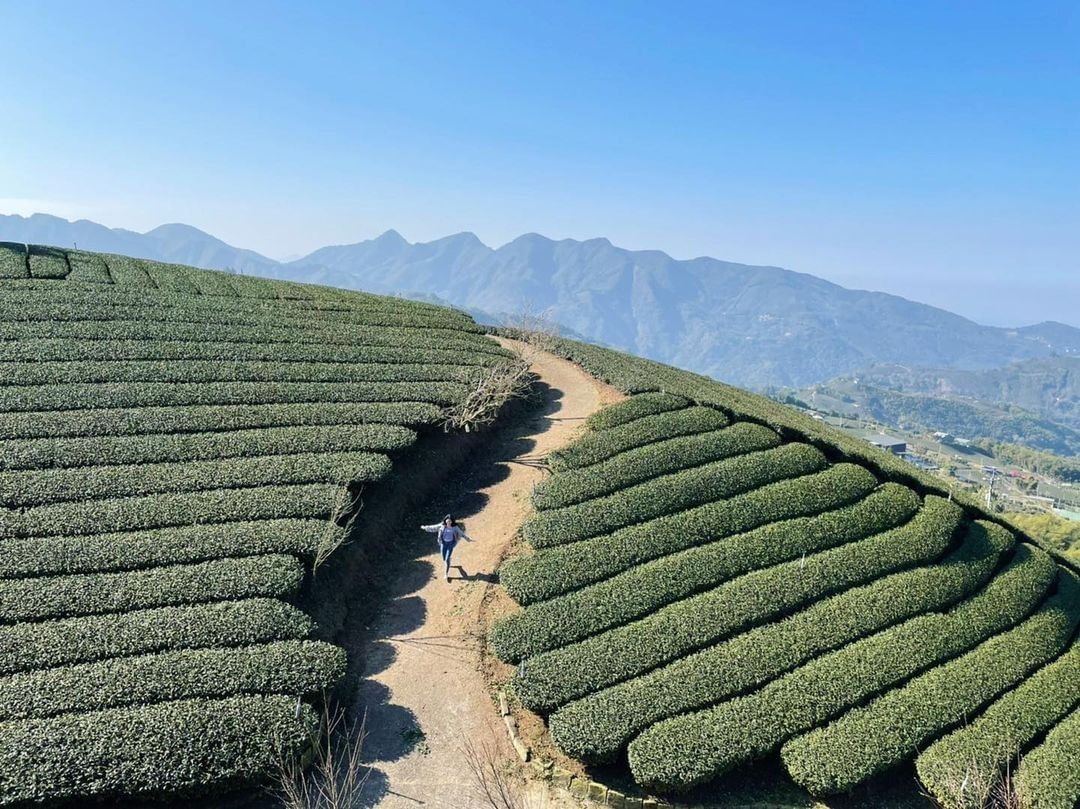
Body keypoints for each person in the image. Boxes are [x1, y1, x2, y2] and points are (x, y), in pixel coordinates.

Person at [420, 514, 471, 583]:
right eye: (447, 521)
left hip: (450, 544)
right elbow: (433, 527)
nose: (448, 522)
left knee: (446, 559)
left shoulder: (454, 527)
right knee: (444, 558)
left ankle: (446, 574)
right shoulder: (442, 526)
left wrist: (467, 538)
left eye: (450, 521)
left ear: (452, 521)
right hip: (443, 544)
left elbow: (461, 533)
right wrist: (425, 527)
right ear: (445, 520)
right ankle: (454, 564)